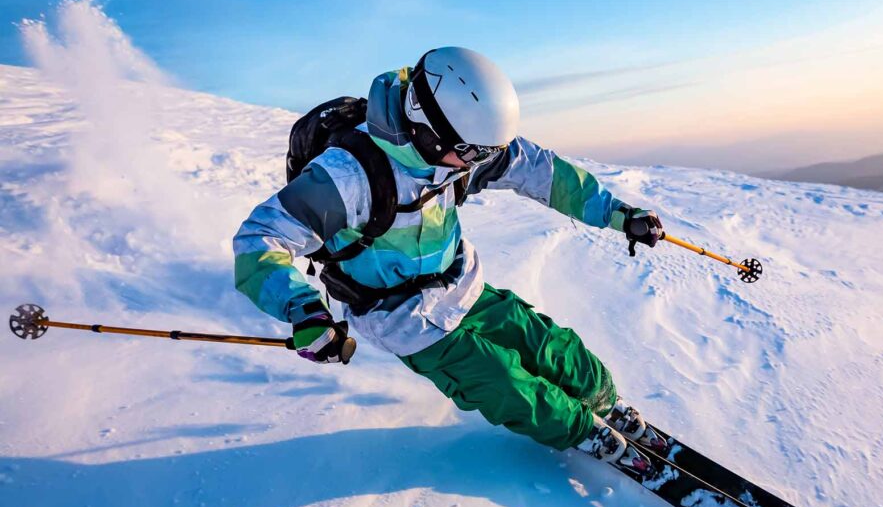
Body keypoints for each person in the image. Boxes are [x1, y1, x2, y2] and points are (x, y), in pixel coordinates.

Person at [233, 47, 665, 464]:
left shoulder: (461, 148)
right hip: (402, 318)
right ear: (426, 128)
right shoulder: (350, 177)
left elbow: (543, 171)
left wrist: (618, 214)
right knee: (506, 383)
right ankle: (579, 430)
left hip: (460, 284)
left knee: (552, 348)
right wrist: (305, 312)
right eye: (475, 152)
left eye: (488, 151)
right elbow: (260, 239)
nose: (480, 162)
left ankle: (604, 401)